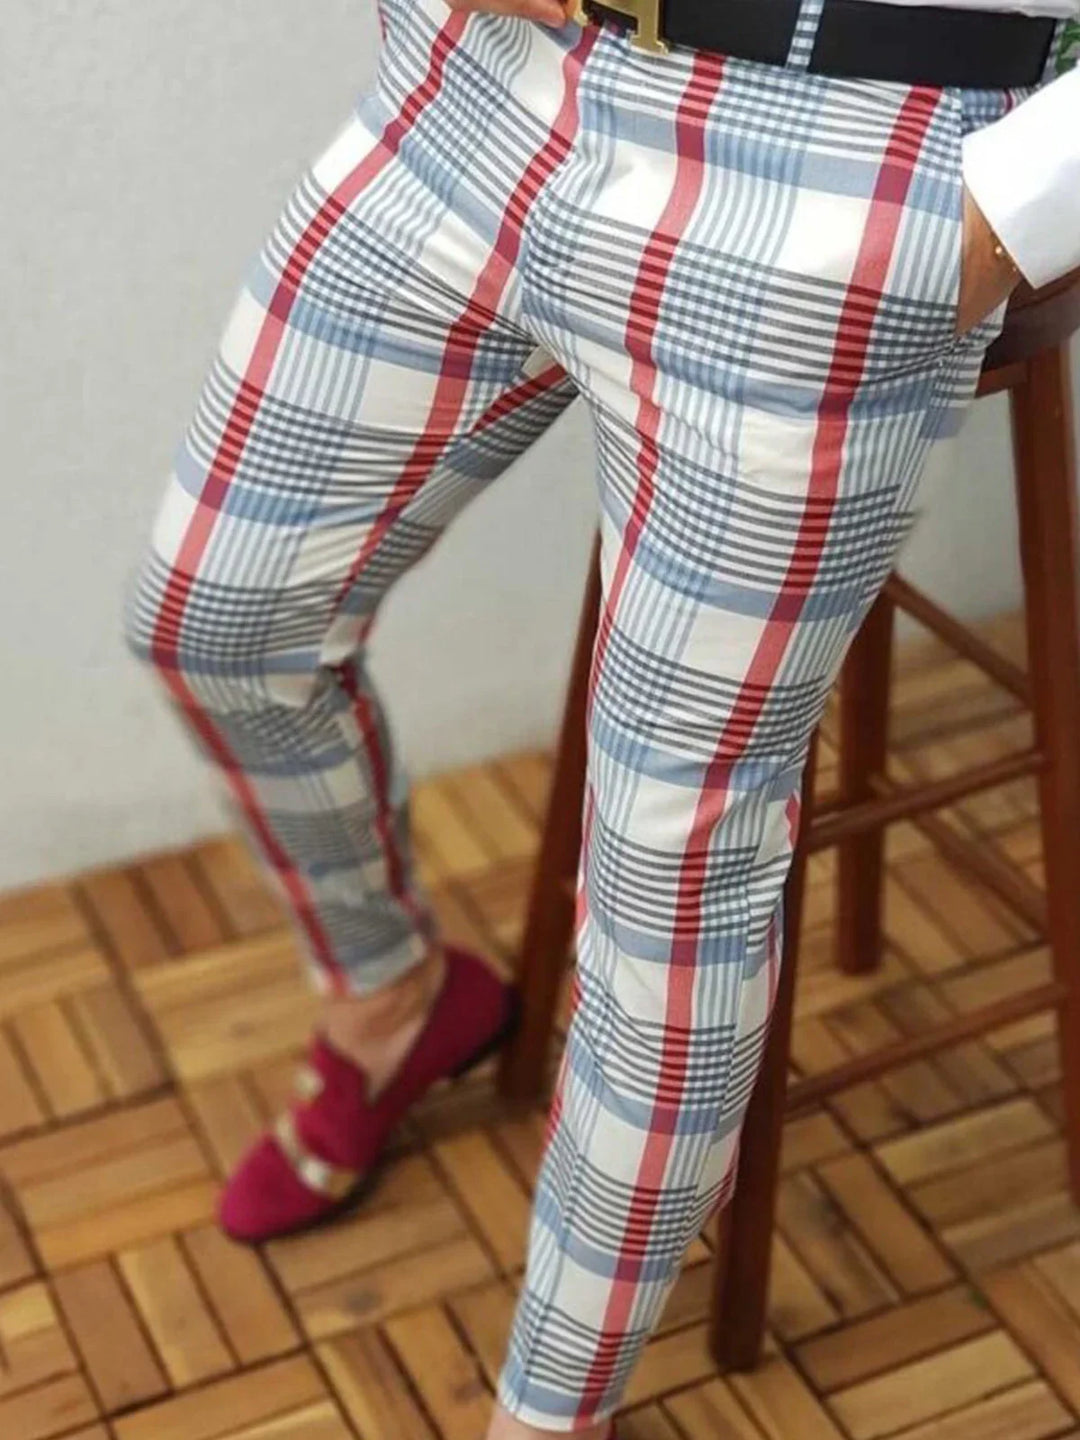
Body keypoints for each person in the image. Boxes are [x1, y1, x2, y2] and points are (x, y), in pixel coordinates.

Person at [125, 0, 1079, 1434]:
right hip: (487, 75)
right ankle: (393, 998)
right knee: (215, 617)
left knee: (665, 880)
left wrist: (1017, 208)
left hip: (853, 156)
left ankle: (552, 1416)